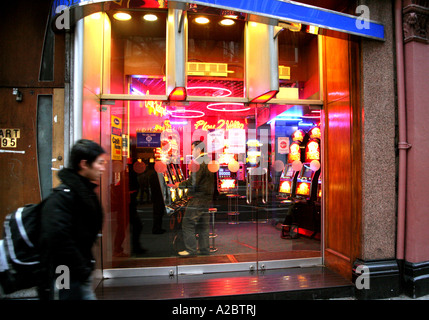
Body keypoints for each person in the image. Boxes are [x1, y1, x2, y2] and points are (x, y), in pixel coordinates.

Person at [38, 139, 106, 300]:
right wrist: (80, 267)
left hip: (78, 269)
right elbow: (56, 237)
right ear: (84, 164)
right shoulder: (64, 197)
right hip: (65, 271)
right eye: (100, 163)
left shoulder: (83, 192)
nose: (103, 168)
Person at [174, 141, 214, 256]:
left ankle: (191, 250)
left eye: (193, 149)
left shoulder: (198, 162)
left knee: (188, 223)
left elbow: (193, 182)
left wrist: (179, 185)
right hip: (207, 198)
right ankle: (204, 249)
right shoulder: (208, 161)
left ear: (198, 149)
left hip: (198, 198)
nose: (192, 152)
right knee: (203, 225)